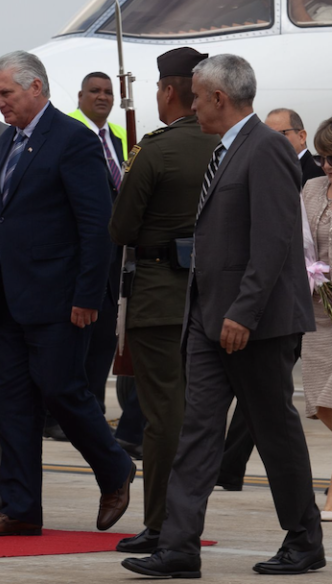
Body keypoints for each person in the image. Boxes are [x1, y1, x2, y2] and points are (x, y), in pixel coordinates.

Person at [122, 54, 324, 578]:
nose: (189, 105)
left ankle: (304, 541)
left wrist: (245, 311)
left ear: (217, 98)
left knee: (275, 431)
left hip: (253, 324)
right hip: (207, 320)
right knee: (197, 432)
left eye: (195, 96)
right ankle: (179, 546)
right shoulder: (224, 150)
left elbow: (276, 239)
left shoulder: (265, 150)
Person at [0, 51, 135, 537]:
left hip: (63, 301)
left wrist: (86, 296)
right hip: (15, 298)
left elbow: (95, 227)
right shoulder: (8, 143)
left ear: (36, 88)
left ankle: (114, 466)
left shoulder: (73, 141)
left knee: (62, 392)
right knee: (13, 402)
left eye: (5, 94)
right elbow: (8, 220)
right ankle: (20, 508)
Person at [109, 47, 219, 554]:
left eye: (158, 89)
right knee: (202, 413)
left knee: (161, 417)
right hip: (214, 299)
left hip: (160, 297)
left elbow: (122, 228)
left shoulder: (155, 148)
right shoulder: (226, 146)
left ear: (169, 90)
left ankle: (160, 522)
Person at [218, 106, 325, 491]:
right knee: (265, 399)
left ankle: (230, 468)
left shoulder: (309, 174)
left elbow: (277, 239)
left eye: (284, 134)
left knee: (274, 403)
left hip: (293, 302)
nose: (277, 141)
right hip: (298, 300)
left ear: (300, 136)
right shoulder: (310, 184)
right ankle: (228, 467)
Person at [68, 71, 145, 458]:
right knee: (84, 339)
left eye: (108, 92)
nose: (102, 97)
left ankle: (94, 413)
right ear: (79, 95)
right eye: (94, 91)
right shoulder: (69, 131)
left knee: (106, 341)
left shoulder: (118, 135)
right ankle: (78, 413)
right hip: (84, 254)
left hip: (118, 254)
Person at [300, 117, 332, 522]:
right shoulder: (311, 188)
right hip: (318, 311)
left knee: (330, 401)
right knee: (320, 404)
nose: (326, 166)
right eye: (324, 157)